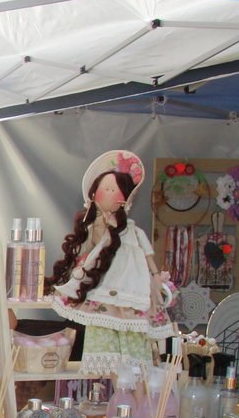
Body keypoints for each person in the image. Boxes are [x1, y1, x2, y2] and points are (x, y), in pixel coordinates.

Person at [46, 149, 173, 374]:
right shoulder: (98, 229)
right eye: (104, 188)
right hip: (105, 291)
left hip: (132, 290)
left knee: (136, 356)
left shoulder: (133, 231)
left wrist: (155, 278)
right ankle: (118, 386)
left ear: (124, 197)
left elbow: (147, 255)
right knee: (105, 347)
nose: (107, 192)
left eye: (113, 189)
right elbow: (91, 250)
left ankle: (135, 392)